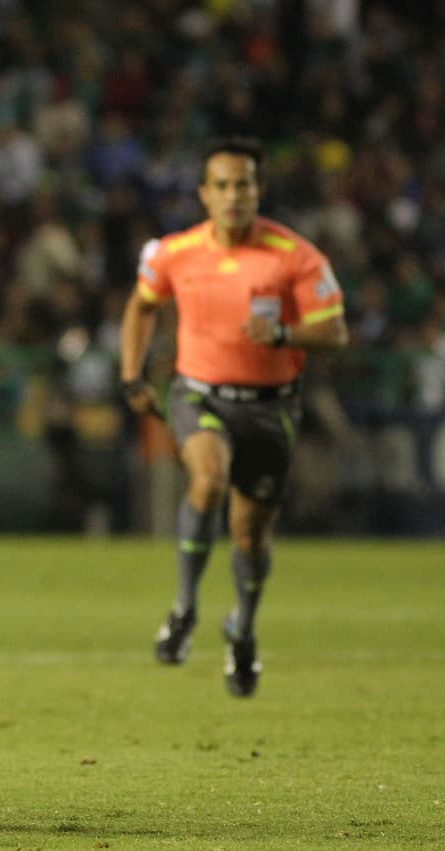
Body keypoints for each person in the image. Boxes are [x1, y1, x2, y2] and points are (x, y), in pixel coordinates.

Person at [118, 136, 349, 697]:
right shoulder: (175, 252)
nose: (233, 194)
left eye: (243, 183)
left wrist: (288, 334)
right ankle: (183, 609)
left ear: (258, 190)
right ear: (204, 193)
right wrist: (132, 375)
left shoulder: (294, 255)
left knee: (250, 536)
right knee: (209, 478)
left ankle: (241, 628)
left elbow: (335, 331)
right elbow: (141, 304)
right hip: (198, 395)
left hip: (271, 408)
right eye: (221, 184)